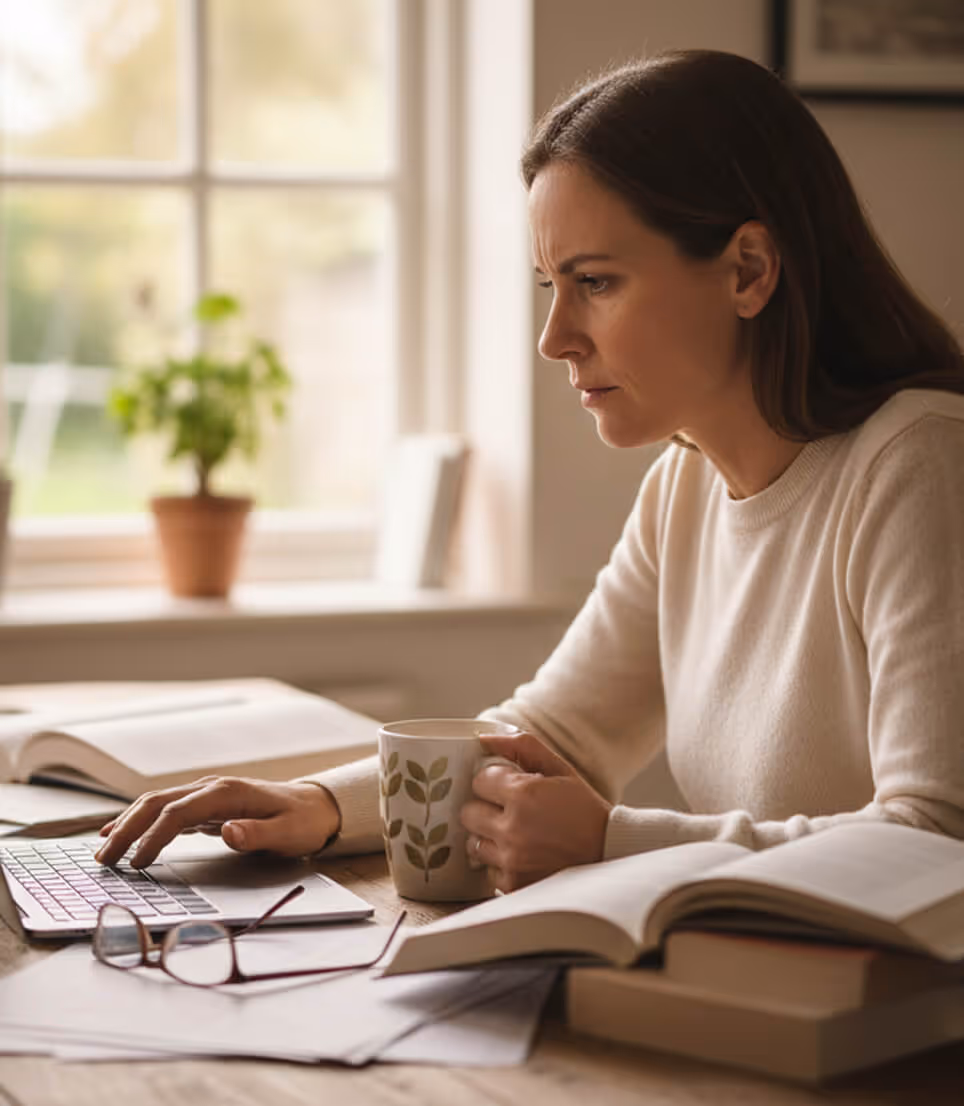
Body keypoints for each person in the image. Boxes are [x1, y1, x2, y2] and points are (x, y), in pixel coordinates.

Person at [96, 49, 964, 894]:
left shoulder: (923, 465)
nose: (557, 339)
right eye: (551, 285)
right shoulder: (683, 486)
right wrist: (316, 804)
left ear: (749, 270)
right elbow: (553, 735)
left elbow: (934, 838)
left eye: (595, 281)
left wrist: (611, 841)